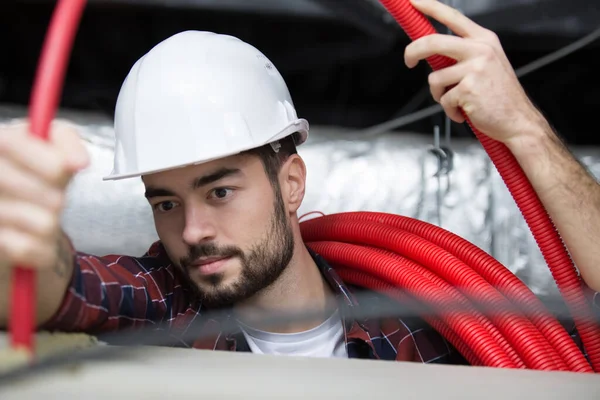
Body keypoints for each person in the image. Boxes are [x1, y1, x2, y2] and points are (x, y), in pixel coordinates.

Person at [0, 0, 597, 363]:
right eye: (165, 202)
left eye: (220, 191)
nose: (193, 230)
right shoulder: (162, 305)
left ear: (291, 183)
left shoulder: (426, 324)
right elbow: (57, 286)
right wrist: (18, 236)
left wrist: (525, 130)